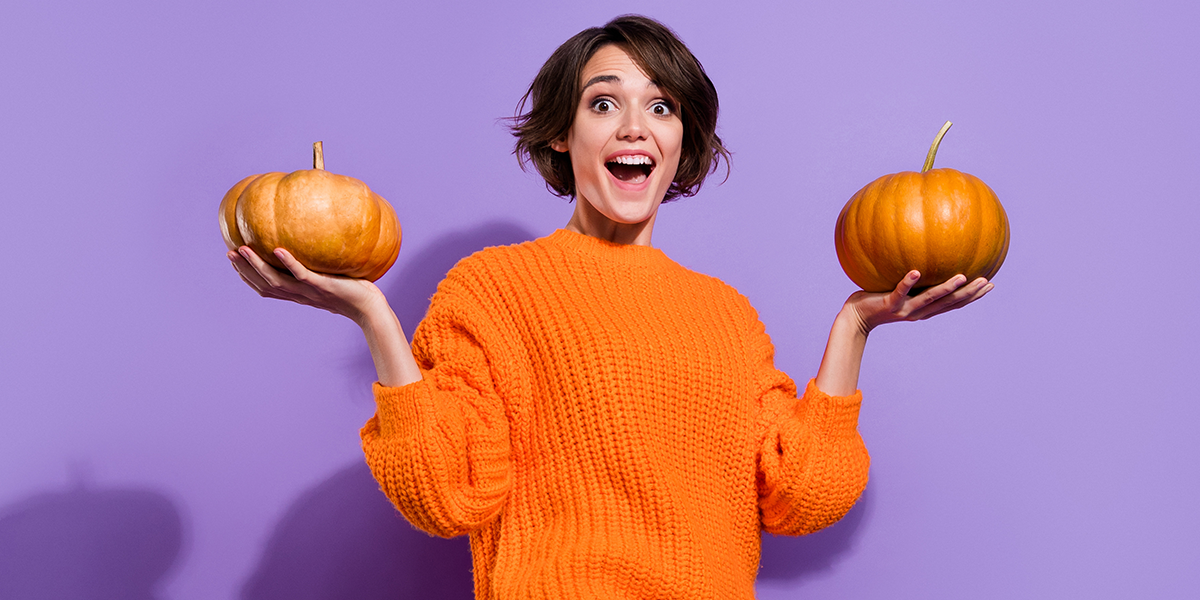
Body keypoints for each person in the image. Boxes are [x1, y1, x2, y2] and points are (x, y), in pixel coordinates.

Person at [228, 14, 993, 600]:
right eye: (605, 103)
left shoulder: (725, 313)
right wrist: (375, 318)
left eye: (661, 108)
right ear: (564, 133)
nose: (635, 126)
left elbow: (800, 498)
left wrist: (856, 324)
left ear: (680, 139)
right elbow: (445, 493)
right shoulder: (491, 287)